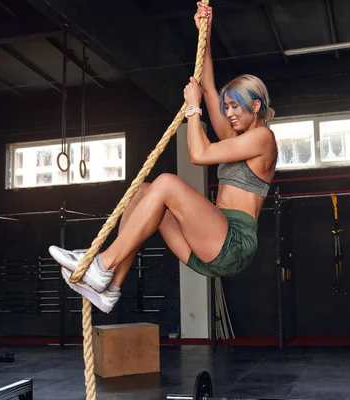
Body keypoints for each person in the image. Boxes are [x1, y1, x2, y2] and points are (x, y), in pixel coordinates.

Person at [49, 2, 278, 313]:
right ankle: (111, 288)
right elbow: (209, 88)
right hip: (205, 246)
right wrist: (204, 34)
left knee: (168, 183)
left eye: (236, 106)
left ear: (255, 106)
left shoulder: (263, 138)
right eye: (227, 107)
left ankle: (101, 264)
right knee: (142, 190)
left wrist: (193, 109)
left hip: (232, 244)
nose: (229, 113)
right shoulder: (235, 138)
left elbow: (199, 154)